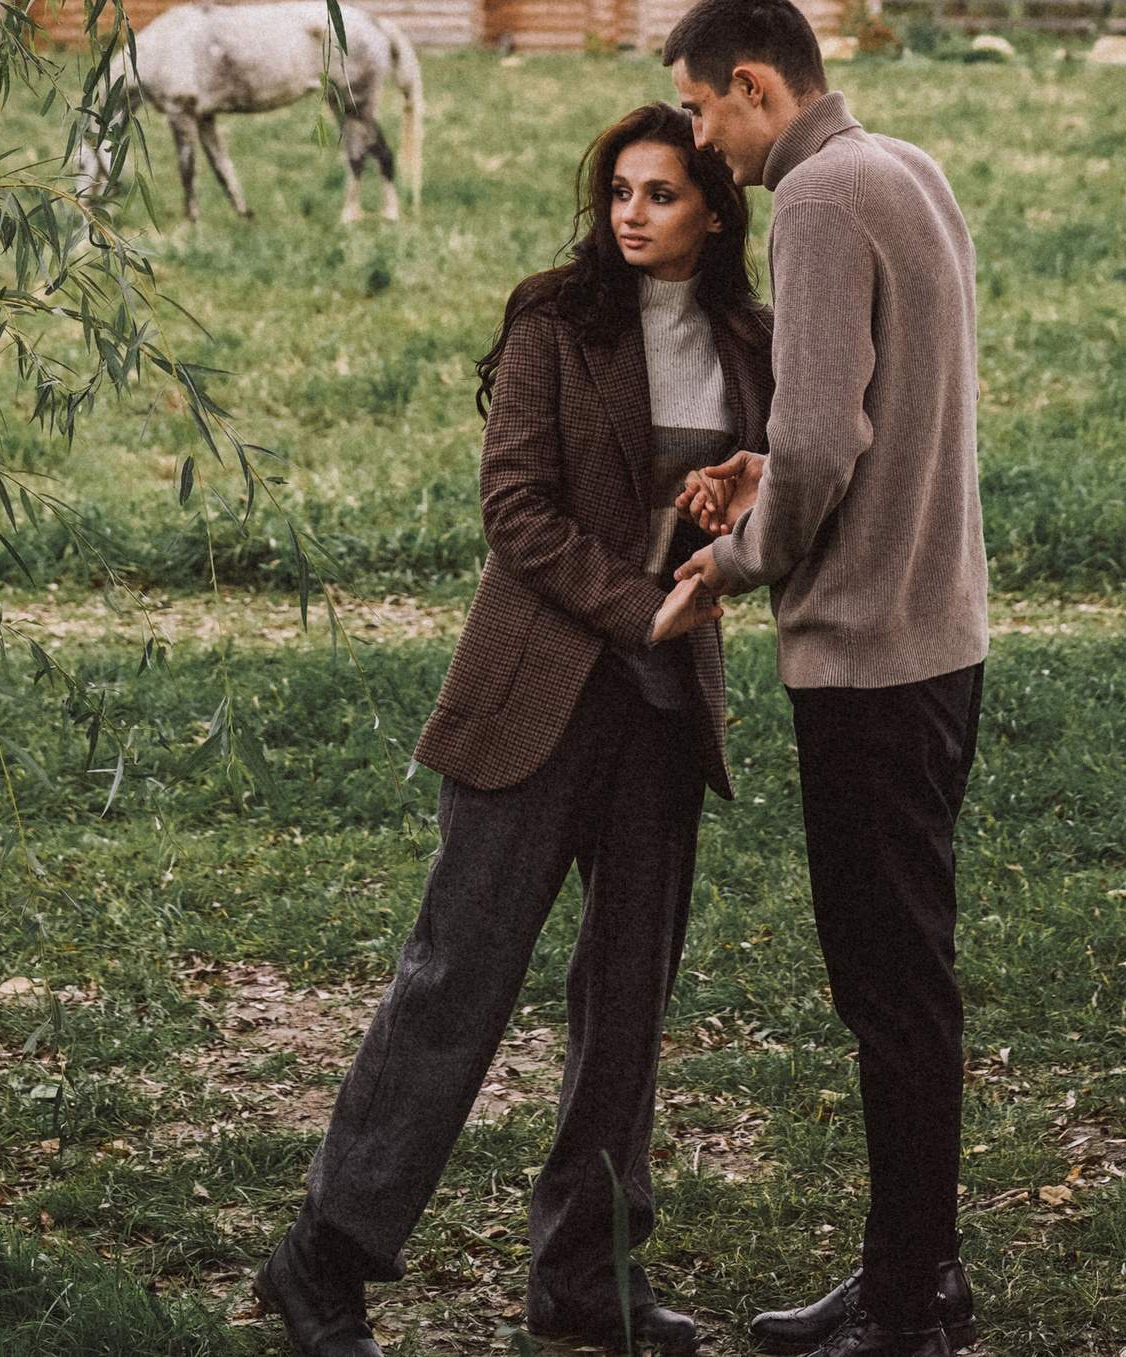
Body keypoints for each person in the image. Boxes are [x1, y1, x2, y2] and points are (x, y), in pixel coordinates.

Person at [258, 102, 774, 1357]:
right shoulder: (556, 319)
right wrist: (636, 607)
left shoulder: (750, 339)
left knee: (626, 1004)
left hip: (662, 714)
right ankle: (323, 1257)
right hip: (537, 692)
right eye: (618, 193)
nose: (630, 215)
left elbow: (770, 487)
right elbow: (516, 509)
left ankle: (585, 1278)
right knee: (457, 979)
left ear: (714, 206)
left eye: (659, 194)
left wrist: (737, 503)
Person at [655, 0, 988, 1357]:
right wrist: (773, 466)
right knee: (906, 977)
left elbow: (827, 448)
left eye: (696, 105)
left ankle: (909, 1304)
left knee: (888, 989)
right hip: (942, 637)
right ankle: (914, 1271)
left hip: (866, 656)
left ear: (754, 82)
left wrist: (730, 561)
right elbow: (881, 408)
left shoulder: (817, 198)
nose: (696, 140)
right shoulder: (906, 167)